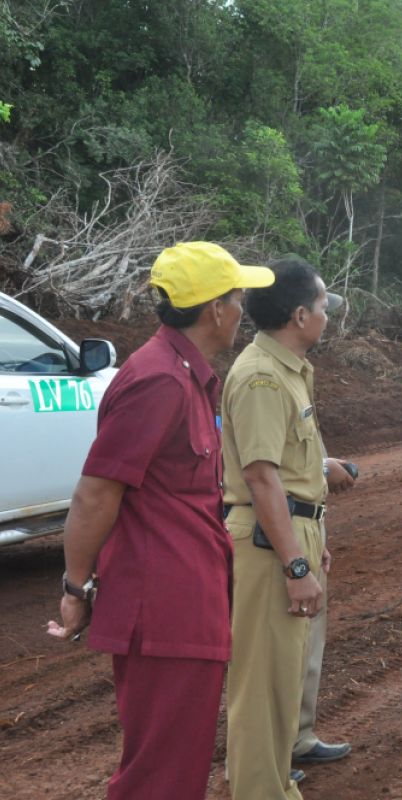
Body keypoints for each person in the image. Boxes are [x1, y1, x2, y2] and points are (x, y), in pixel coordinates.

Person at [46, 242, 274, 800]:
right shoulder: (159, 381)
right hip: (165, 606)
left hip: (186, 598)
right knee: (161, 772)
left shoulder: (185, 375)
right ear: (214, 309)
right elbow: (95, 494)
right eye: (238, 298)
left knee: (179, 758)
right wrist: (76, 587)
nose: (242, 309)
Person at [221, 256, 350, 799]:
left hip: (289, 533)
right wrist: (295, 563)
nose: (328, 317)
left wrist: (311, 546)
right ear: (300, 316)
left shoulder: (289, 369)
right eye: (323, 308)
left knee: (285, 681)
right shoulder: (261, 378)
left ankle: (275, 788)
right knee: (261, 690)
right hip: (267, 544)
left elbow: (295, 475)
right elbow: (261, 479)